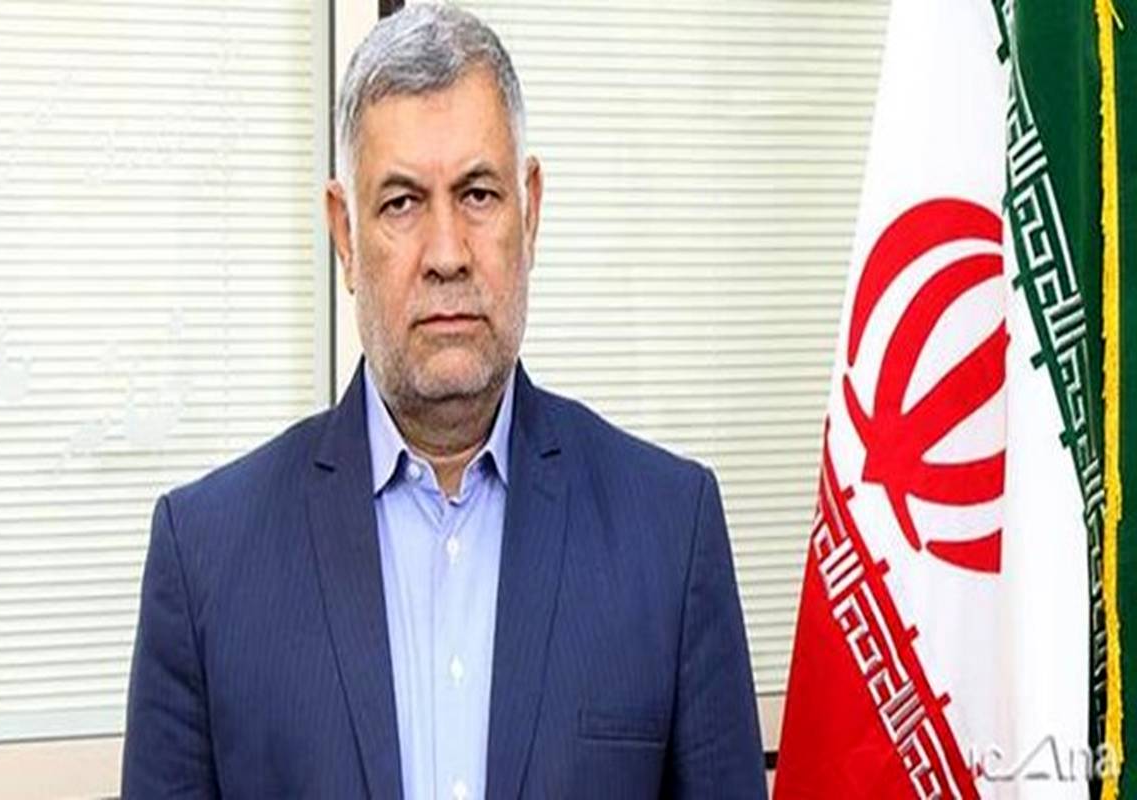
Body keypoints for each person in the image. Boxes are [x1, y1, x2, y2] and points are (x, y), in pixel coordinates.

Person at [122, 5, 765, 798]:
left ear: (530, 210)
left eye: (479, 194)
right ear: (344, 234)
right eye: (401, 203)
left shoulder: (669, 531)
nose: (448, 254)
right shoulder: (207, 558)